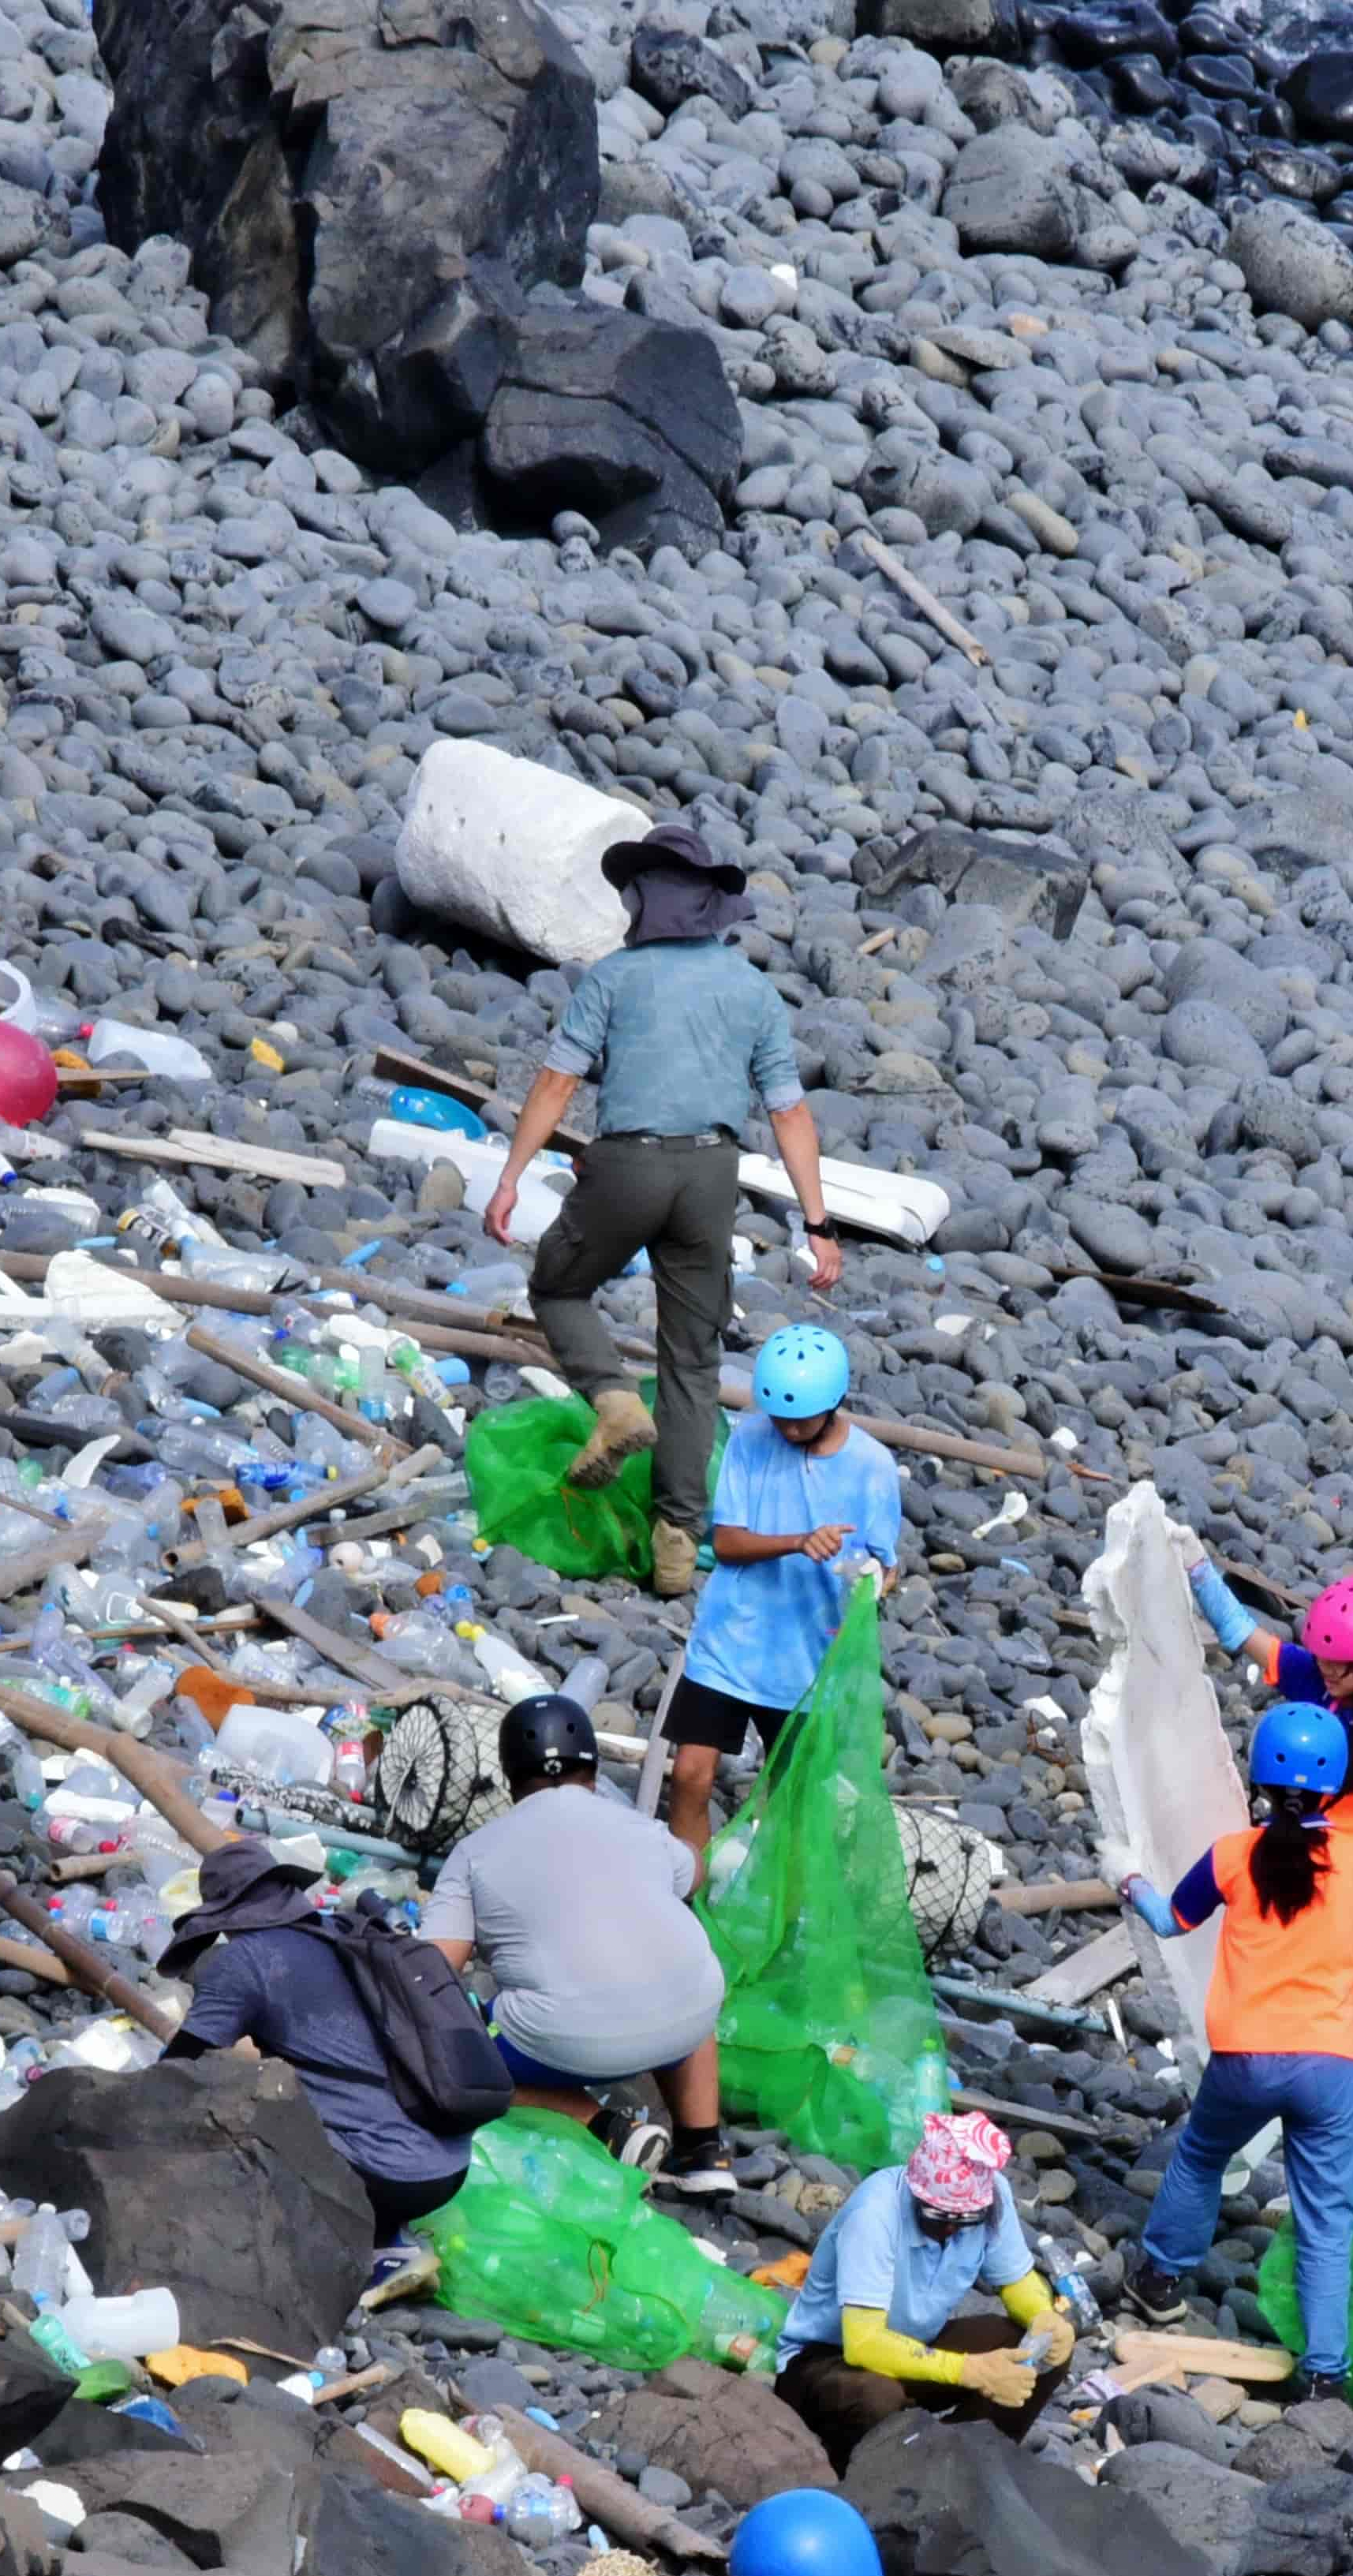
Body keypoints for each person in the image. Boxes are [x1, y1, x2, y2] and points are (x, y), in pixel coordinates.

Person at [483, 822, 840, 1599]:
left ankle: (611, 1401)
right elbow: (790, 1115)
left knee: (557, 1286)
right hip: (711, 1173)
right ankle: (676, 1546)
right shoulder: (751, 990)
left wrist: (512, 1175)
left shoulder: (614, 978)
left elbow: (555, 1083)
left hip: (627, 1162)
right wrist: (817, 1226)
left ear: (643, 899)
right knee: (692, 1361)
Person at [1112, 1700, 1353, 2412]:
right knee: (1325, 2215)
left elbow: (1167, 1920)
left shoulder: (1232, 1856)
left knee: (1200, 2158)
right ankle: (1324, 2370)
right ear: (1334, 1783)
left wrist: (1128, 1880)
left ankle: (1159, 2281)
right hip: (1328, 2068)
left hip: (1243, 2057)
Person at [424, 1693, 732, 2194]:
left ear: (510, 1777)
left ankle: (603, 2127)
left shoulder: (473, 1853)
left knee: (447, 2050)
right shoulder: (643, 1829)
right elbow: (695, 1871)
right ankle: (704, 2152)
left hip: (569, 2040)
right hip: (688, 2019)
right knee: (683, 1965)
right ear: (593, 1769)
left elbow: (432, 1971)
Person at [161, 1836, 480, 2279]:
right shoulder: (349, 1934)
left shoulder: (243, 1960)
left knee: (237, 2122)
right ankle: (388, 2244)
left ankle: (337, 2252)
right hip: (450, 2164)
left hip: (386, 2176)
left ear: (224, 1915)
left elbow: (177, 2068)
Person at [661, 1322, 899, 1860]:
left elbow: (887, 1566)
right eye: (781, 1420)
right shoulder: (750, 1438)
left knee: (791, 1803)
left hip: (807, 1660)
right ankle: (683, 1901)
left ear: (833, 1404)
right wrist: (797, 1541)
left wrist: (872, 1581)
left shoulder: (872, 1467)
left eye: (800, 1422)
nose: (788, 1432)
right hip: (731, 1641)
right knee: (691, 1776)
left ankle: (779, 1921)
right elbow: (726, 1542)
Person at [773, 2106, 1075, 2458]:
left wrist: (1043, 2316)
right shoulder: (875, 2216)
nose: (951, 2227)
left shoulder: (994, 2196)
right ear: (918, 2193)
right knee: (876, 2397)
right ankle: (888, 2470)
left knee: (1038, 2348)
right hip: (824, 2364)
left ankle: (966, 2459)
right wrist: (971, 2371)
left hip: (913, 2349)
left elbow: (1016, 2280)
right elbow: (864, 2343)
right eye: (939, 2217)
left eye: (965, 2220)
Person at [1186, 1557, 1353, 1896]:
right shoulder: (1318, 1679)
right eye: (1323, 1657)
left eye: (1343, 1665)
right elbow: (1238, 1630)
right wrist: (1198, 1569)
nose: (1328, 1669)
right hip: (1298, 1865)